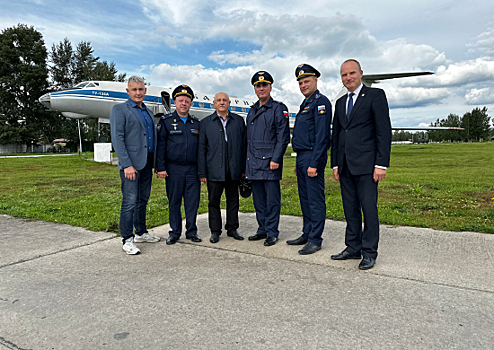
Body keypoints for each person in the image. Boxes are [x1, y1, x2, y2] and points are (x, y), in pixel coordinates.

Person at [330, 59, 392, 270]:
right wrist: (335, 164)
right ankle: (353, 247)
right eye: (344, 75)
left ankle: (369, 252)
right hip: (345, 165)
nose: (348, 77)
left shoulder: (375, 96)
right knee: (350, 209)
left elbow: (383, 131)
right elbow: (337, 136)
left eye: (352, 73)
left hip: (367, 165)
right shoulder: (339, 103)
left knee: (368, 209)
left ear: (360, 73)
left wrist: (381, 163)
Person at [110, 76, 161, 255]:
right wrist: (126, 165)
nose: (138, 93)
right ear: (128, 91)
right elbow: (118, 138)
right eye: (134, 90)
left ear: (145, 91)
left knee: (142, 200)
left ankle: (141, 232)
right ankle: (127, 239)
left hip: (147, 163)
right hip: (131, 165)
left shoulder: (147, 111)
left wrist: (155, 163)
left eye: (141, 89)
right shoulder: (120, 110)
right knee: (129, 201)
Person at [287, 64, 332, 255]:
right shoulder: (305, 104)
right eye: (300, 82)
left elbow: (322, 137)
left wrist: (314, 163)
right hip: (302, 156)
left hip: (313, 156)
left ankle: (315, 239)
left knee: (314, 200)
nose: (303, 85)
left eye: (306, 81)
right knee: (304, 199)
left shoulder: (321, 102)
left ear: (315, 81)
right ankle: (307, 232)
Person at [245, 71, 290, 246]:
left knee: (272, 201)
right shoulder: (252, 110)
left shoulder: (278, 108)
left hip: (270, 162)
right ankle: (262, 229)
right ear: (255, 89)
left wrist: (276, 159)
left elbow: (283, 137)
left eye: (265, 85)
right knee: (259, 201)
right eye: (258, 86)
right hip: (254, 163)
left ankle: (272, 232)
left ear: (270, 87)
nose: (261, 88)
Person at [198, 92, 247, 243]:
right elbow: (201, 149)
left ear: (229, 103)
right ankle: (215, 231)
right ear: (214, 103)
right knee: (214, 202)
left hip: (234, 170)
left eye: (224, 100)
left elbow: (244, 146)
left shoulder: (239, 121)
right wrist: (202, 172)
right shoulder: (206, 123)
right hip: (214, 170)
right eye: (218, 100)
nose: (221, 102)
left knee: (233, 201)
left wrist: (244, 168)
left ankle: (232, 229)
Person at [156, 85, 202, 245]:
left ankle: (191, 232)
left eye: (187, 101)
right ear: (175, 102)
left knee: (192, 202)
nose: (184, 103)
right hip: (173, 169)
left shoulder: (196, 123)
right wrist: (160, 167)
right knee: (174, 201)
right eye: (180, 100)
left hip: (192, 169)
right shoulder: (166, 122)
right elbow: (160, 146)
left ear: (191, 104)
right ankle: (175, 232)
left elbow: (202, 149)